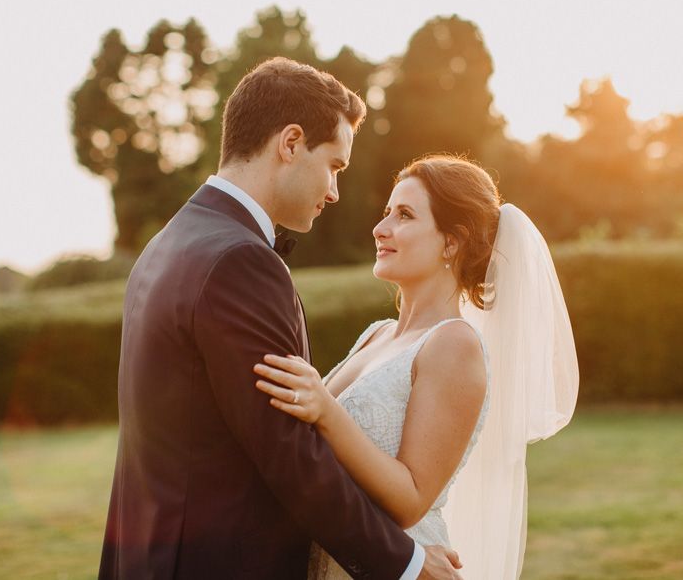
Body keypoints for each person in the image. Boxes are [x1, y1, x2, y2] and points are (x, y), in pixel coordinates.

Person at [98, 58, 462, 579]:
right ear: (290, 143)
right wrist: (406, 563)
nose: (335, 192)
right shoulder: (240, 261)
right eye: (334, 165)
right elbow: (288, 453)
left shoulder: (169, 243)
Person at [254, 154, 579, 579]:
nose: (380, 228)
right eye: (386, 212)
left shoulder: (454, 345)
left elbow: (410, 498)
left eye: (404, 215)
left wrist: (324, 408)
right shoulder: (377, 334)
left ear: (452, 242)